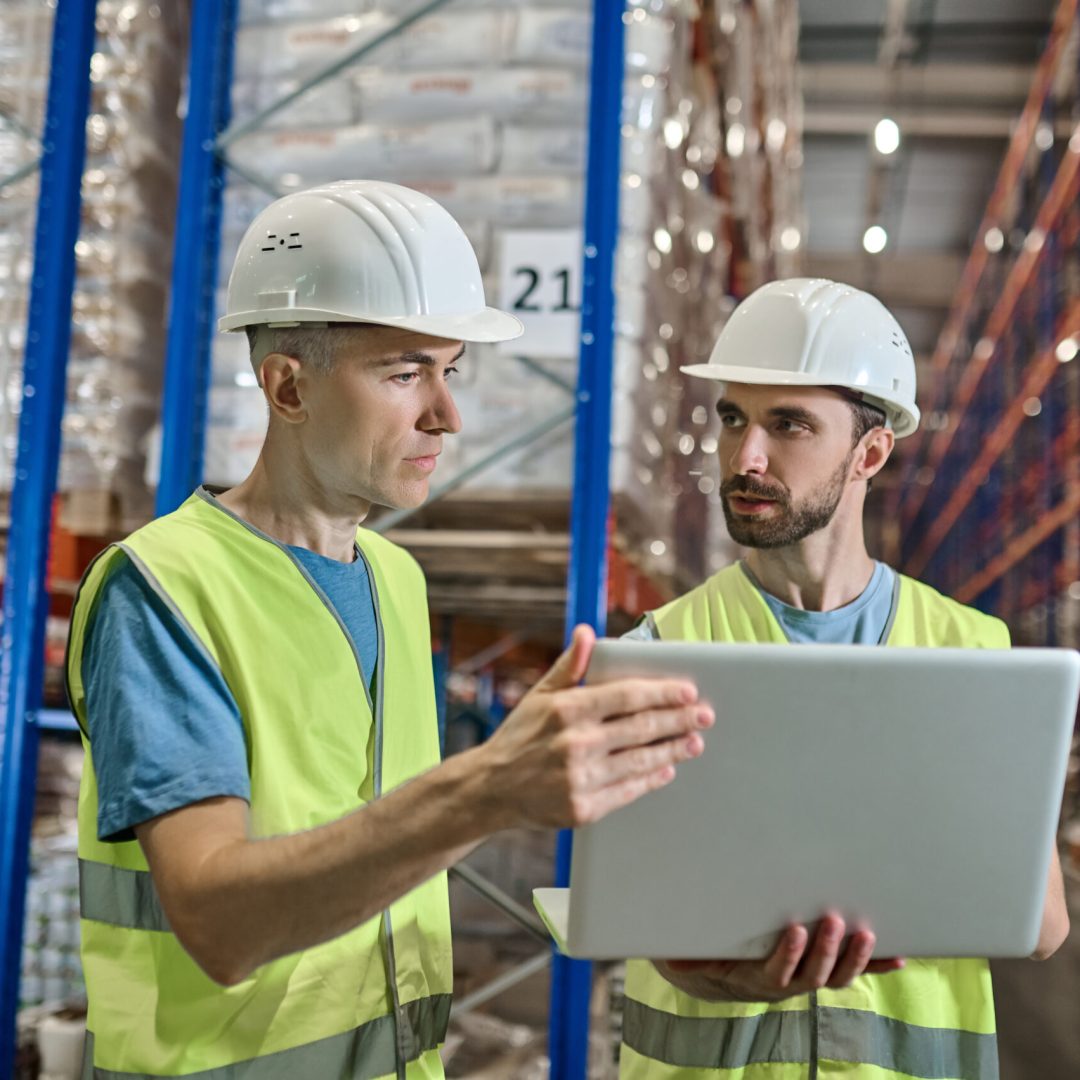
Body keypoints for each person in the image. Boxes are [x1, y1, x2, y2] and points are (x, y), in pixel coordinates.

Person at [65, 180, 716, 1079]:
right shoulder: (165, 587)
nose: (446, 415)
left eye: (451, 371)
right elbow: (219, 923)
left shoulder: (397, 581)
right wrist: (489, 788)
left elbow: (384, 855)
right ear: (287, 386)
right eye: (406, 373)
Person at [617, 278, 1070, 1079]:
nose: (745, 457)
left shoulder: (972, 653)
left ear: (870, 453)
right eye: (733, 419)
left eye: (788, 425)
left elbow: (1040, 926)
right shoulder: (663, 644)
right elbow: (625, 906)